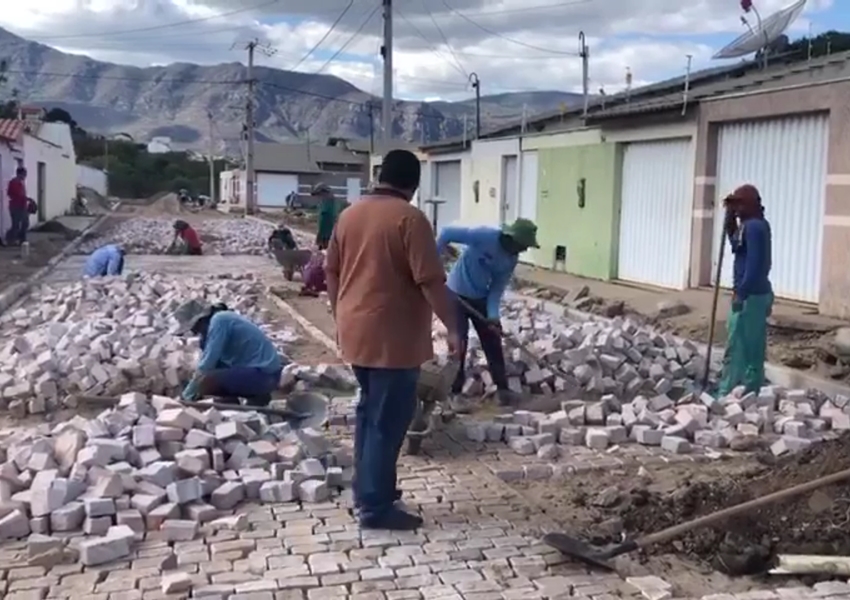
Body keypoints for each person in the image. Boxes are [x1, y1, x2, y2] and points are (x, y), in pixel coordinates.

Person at [326, 149, 460, 531]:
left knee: (370, 414)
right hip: (393, 339)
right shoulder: (410, 219)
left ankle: (370, 488)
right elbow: (431, 281)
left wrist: (342, 312)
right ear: (413, 185)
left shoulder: (349, 215)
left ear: (381, 175)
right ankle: (374, 506)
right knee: (388, 420)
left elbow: (330, 270)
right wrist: (452, 328)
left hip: (356, 333)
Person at [436, 218, 540, 410]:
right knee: (459, 342)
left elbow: (496, 289)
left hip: (480, 298)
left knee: (492, 340)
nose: (525, 250)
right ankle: (455, 393)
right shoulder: (484, 235)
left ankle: (503, 390)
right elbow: (447, 232)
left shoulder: (510, 260)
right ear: (511, 239)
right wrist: (433, 260)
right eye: (523, 245)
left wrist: (493, 316)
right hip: (455, 294)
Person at [717, 184, 773, 397]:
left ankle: (732, 390)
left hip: (752, 295)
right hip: (751, 293)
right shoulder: (748, 226)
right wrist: (730, 223)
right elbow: (736, 246)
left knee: (741, 346)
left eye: (739, 205)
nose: (736, 210)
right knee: (748, 344)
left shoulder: (755, 227)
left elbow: (756, 263)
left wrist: (742, 292)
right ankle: (748, 389)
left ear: (749, 205)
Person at [175, 300, 285, 406]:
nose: (195, 332)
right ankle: (246, 400)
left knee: (206, 381)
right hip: (263, 374)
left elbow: (208, 362)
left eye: (195, 328)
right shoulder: (221, 319)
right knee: (206, 375)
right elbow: (214, 360)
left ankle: (249, 398)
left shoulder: (219, 321)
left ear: (201, 320)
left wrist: (187, 395)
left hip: (264, 375)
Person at [314, 183, 347, 250]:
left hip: (327, 233)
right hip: (330, 232)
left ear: (323, 192)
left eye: (319, 195)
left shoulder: (327, 202)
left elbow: (325, 220)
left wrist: (320, 236)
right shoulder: (329, 201)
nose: (318, 197)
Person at [7, 167, 30, 245]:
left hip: (22, 206)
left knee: (25, 223)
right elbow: (10, 194)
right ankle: (10, 239)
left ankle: (22, 239)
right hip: (15, 206)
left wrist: (27, 199)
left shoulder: (21, 183)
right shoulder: (13, 182)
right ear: (19, 174)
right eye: (24, 175)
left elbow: (22, 194)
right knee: (16, 225)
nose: (25, 177)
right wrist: (22, 198)